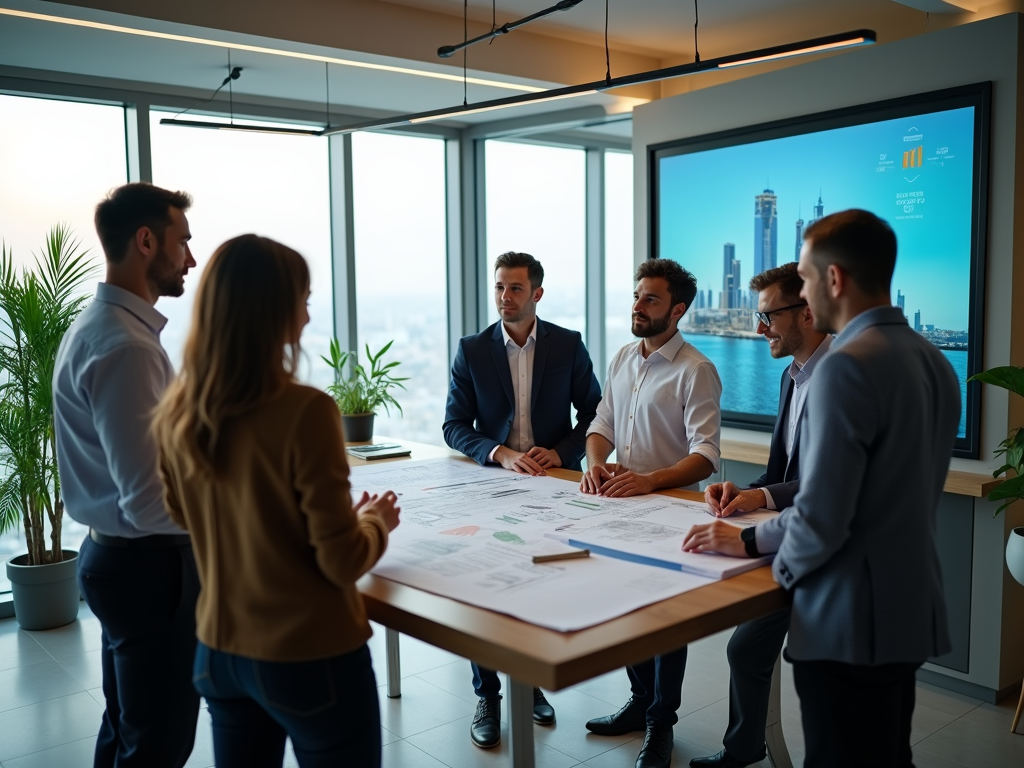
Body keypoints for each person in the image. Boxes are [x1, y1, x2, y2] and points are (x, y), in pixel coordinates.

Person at [153, 235, 400, 768]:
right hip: (311, 657)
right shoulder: (307, 410)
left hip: (219, 652)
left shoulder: (178, 414)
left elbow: (180, 515)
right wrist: (375, 523)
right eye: (303, 301)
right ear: (274, 311)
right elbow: (339, 561)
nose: (308, 318)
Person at [772, 210, 958, 767]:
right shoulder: (934, 360)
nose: (803, 294)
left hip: (847, 622)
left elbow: (821, 517)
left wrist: (776, 572)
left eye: (804, 279)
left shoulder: (844, 366)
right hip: (908, 611)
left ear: (833, 280)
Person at [52, 182, 199, 768]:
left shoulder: (103, 328)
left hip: (121, 561)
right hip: (151, 569)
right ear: (145, 241)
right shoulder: (127, 347)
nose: (190, 257)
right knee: (159, 744)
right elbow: (148, 502)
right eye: (182, 241)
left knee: (128, 731)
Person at [443, 250, 602, 748]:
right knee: (485, 590)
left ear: (536, 293)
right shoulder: (471, 349)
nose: (504, 298)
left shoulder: (568, 345)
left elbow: (596, 416)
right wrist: (498, 453)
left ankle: (527, 685)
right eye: (498, 287)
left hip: (553, 487)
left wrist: (560, 453)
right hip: (491, 485)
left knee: (535, 586)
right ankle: (487, 693)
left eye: (514, 289)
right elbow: (453, 426)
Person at [683, 262, 830, 768]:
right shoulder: (794, 377)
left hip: (832, 551)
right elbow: (781, 473)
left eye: (767, 315)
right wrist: (743, 491)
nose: (758, 328)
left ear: (806, 311)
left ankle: (744, 748)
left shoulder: (842, 380)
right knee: (744, 645)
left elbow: (828, 487)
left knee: (747, 647)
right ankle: (745, 747)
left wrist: (760, 501)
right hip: (792, 536)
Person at [581, 258, 722, 768]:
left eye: (651, 299)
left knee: (666, 623)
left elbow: (706, 455)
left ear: (677, 310)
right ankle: (641, 704)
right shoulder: (622, 358)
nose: (637, 306)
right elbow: (601, 424)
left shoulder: (697, 370)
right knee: (627, 613)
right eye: (637, 296)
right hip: (617, 506)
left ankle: (661, 725)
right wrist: (596, 464)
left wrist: (649, 480)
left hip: (670, 514)